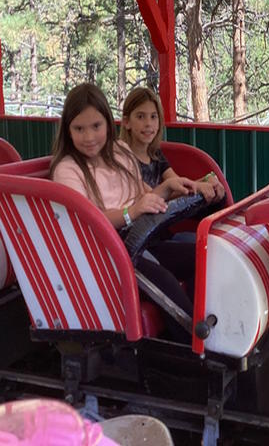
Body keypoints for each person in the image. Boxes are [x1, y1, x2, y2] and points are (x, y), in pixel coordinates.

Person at [50, 83, 195, 342]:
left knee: (203, 257)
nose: (89, 137)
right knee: (166, 284)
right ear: (68, 131)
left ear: (108, 123)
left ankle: (214, 339)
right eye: (79, 129)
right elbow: (87, 221)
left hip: (142, 239)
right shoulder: (68, 170)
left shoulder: (120, 154)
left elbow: (143, 196)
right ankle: (190, 358)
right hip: (108, 254)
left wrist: (167, 189)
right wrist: (131, 212)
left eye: (96, 126)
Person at [120, 86, 225, 203]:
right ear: (127, 122)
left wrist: (207, 181)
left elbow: (178, 185)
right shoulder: (122, 158)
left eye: (153, 117)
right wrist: (200, 185)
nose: (148, 123)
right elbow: (149, 197)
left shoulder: (155, 155)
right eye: (140, 117)